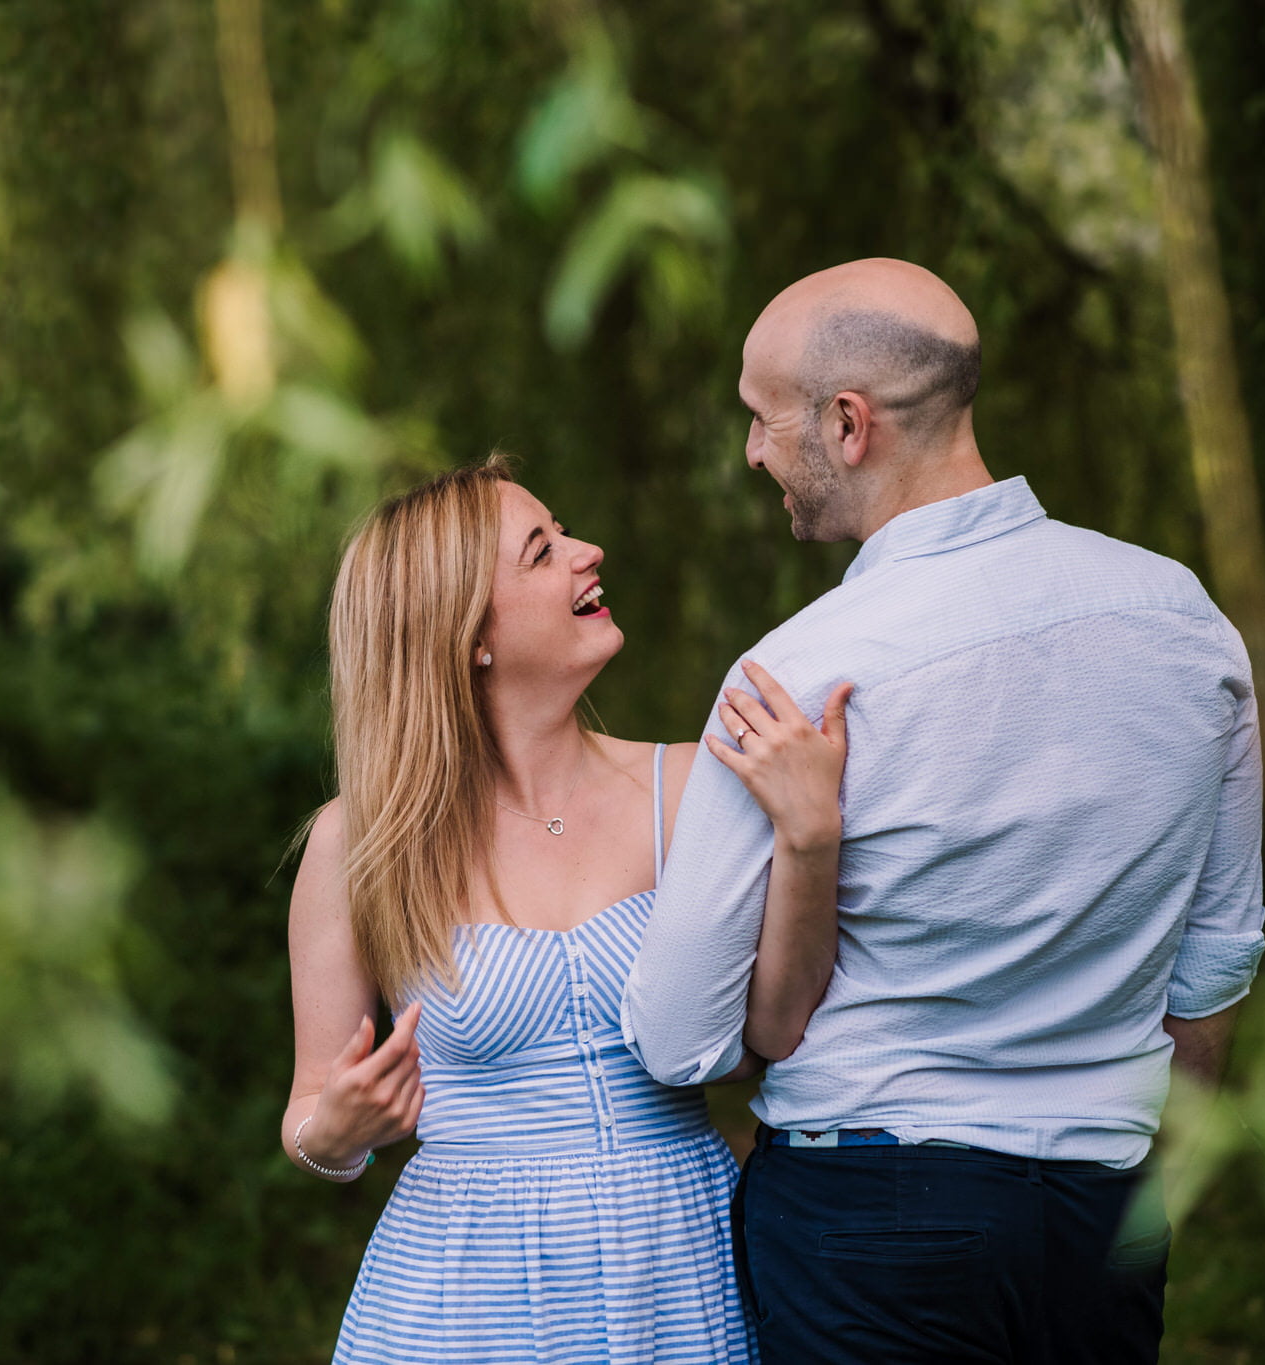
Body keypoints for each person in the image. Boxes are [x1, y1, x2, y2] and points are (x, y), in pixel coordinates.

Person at [623, 258, 1265, 1364]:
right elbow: (1214, 961)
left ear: (845, 423)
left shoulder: (801, 672)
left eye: (760, 420)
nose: (751, 454)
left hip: (867, 1217)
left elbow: (678, 1038)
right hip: (1100, 1208)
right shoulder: (1184, 621)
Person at [281, 454, 853, 1364]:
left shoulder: (691, 786)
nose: (589, 552)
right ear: (470, 634)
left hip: (677, 1264)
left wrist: (811, 840)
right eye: (543, 552)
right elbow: (308, 1111)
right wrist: (337, 1132)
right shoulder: (360, 841)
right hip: (462, 1292)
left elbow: (771, 1034)